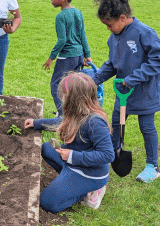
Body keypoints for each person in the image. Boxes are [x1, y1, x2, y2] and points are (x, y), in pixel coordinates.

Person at [91, 0, 160, 183]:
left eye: (109, 24)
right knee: (114, 122)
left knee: (146, 127)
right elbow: (113, 64)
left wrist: (133, 78)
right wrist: (94, 80)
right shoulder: (114, 37)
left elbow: (157, 60)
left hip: (144, 92)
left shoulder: (144, 33)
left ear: (122, 18)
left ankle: (152, 166)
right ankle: (111, 154)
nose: (108, 29)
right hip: (123, 93)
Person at [24, 72, 114, 211]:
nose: (61, 98)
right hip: (73, 162)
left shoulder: (95, 122)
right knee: (46, 149)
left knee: (47, 203)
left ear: (73, 98)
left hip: (88, 173)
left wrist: (73, 156)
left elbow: (108, 155)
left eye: (64, 95)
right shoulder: (78, 111)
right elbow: (62, 121)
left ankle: (87, 192)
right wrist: (37, 123)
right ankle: (71, 183)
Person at [45, 0, 92, 115]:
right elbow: (83, 35)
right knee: (73, 86)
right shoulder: (78, 13)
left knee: (56, 85)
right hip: (79, 56)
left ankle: (63, 114)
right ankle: (74, 113)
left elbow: (62, 40)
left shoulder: (61, 16)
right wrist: (87, 54)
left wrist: (51, 58)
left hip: (67, 57)